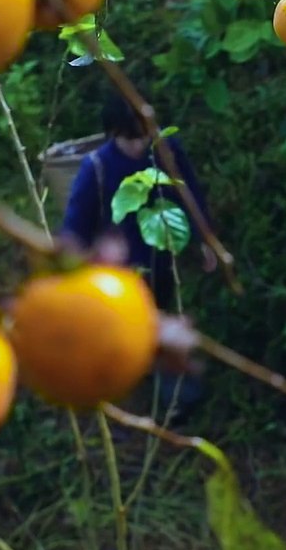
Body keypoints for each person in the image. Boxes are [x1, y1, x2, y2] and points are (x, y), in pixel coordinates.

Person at [60, 92, 215, 420]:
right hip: (120, 274)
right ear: (113, 134)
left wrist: (206, 240)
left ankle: (174, 396)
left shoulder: (166, 151)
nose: (138, 145)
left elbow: (191, 195)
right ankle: (150, 387)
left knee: (159, 318)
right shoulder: (97, 167)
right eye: (130, 138)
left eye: (143, 136)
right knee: (136, 327)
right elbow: (76, 224)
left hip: (161, 259)